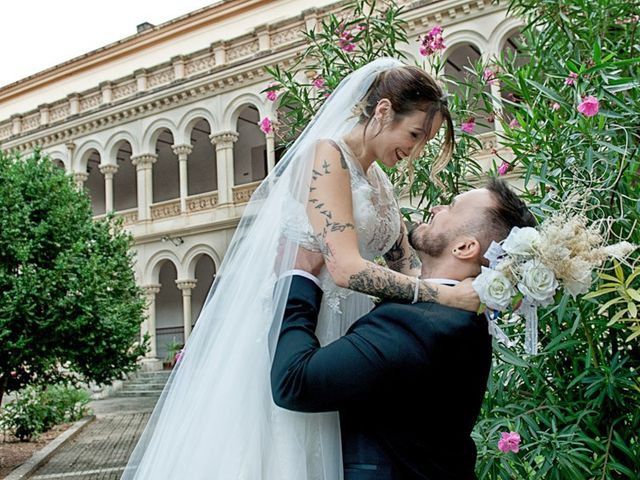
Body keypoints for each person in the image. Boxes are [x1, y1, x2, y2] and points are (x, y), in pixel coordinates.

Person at [123, 58, 476, 479]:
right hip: (302, 329)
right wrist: (447, 296)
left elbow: (406, 265)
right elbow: (345, 268)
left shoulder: (380, 181)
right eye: (415, 134)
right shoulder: (325, 157)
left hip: (349, 337)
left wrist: (470, 293)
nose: (416, 150)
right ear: (383, 111)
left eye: (425, 142)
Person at [271, 178, 537, 479]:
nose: (437, 208)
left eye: (451, 207)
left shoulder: (419, 325)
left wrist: (299, 276)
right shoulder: (462, 318)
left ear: (465, 247)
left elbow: (294, 381)